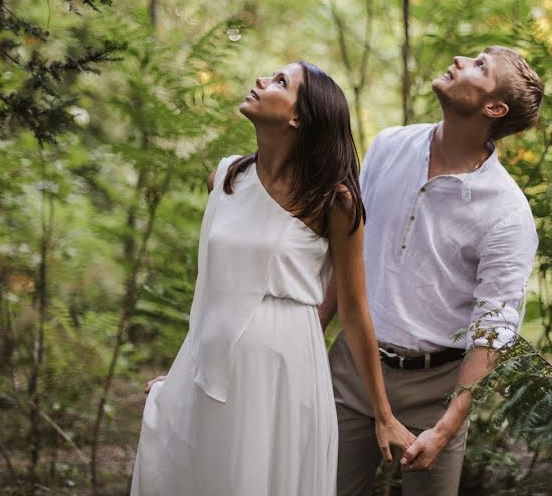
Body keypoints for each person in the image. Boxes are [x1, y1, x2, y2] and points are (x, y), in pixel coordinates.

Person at [131, 60, 414, 496]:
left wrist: (383, 413)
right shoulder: (226, 178)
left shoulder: (335, 203)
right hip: (212, 361)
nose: (261, 79)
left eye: (281, 81)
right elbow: (210, 292)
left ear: (299, 116)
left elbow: (355, 312)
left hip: (285, 369)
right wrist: (183, 369)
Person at [320, 46, 543, 495]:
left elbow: (493, 326)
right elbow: (340, 255)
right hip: (351, 369)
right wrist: (306, 336)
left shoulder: (507, 212)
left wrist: (447, 425)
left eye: (480, 67)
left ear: (494, 108)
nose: (461, 61)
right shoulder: (388, 146)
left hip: (437, 389)